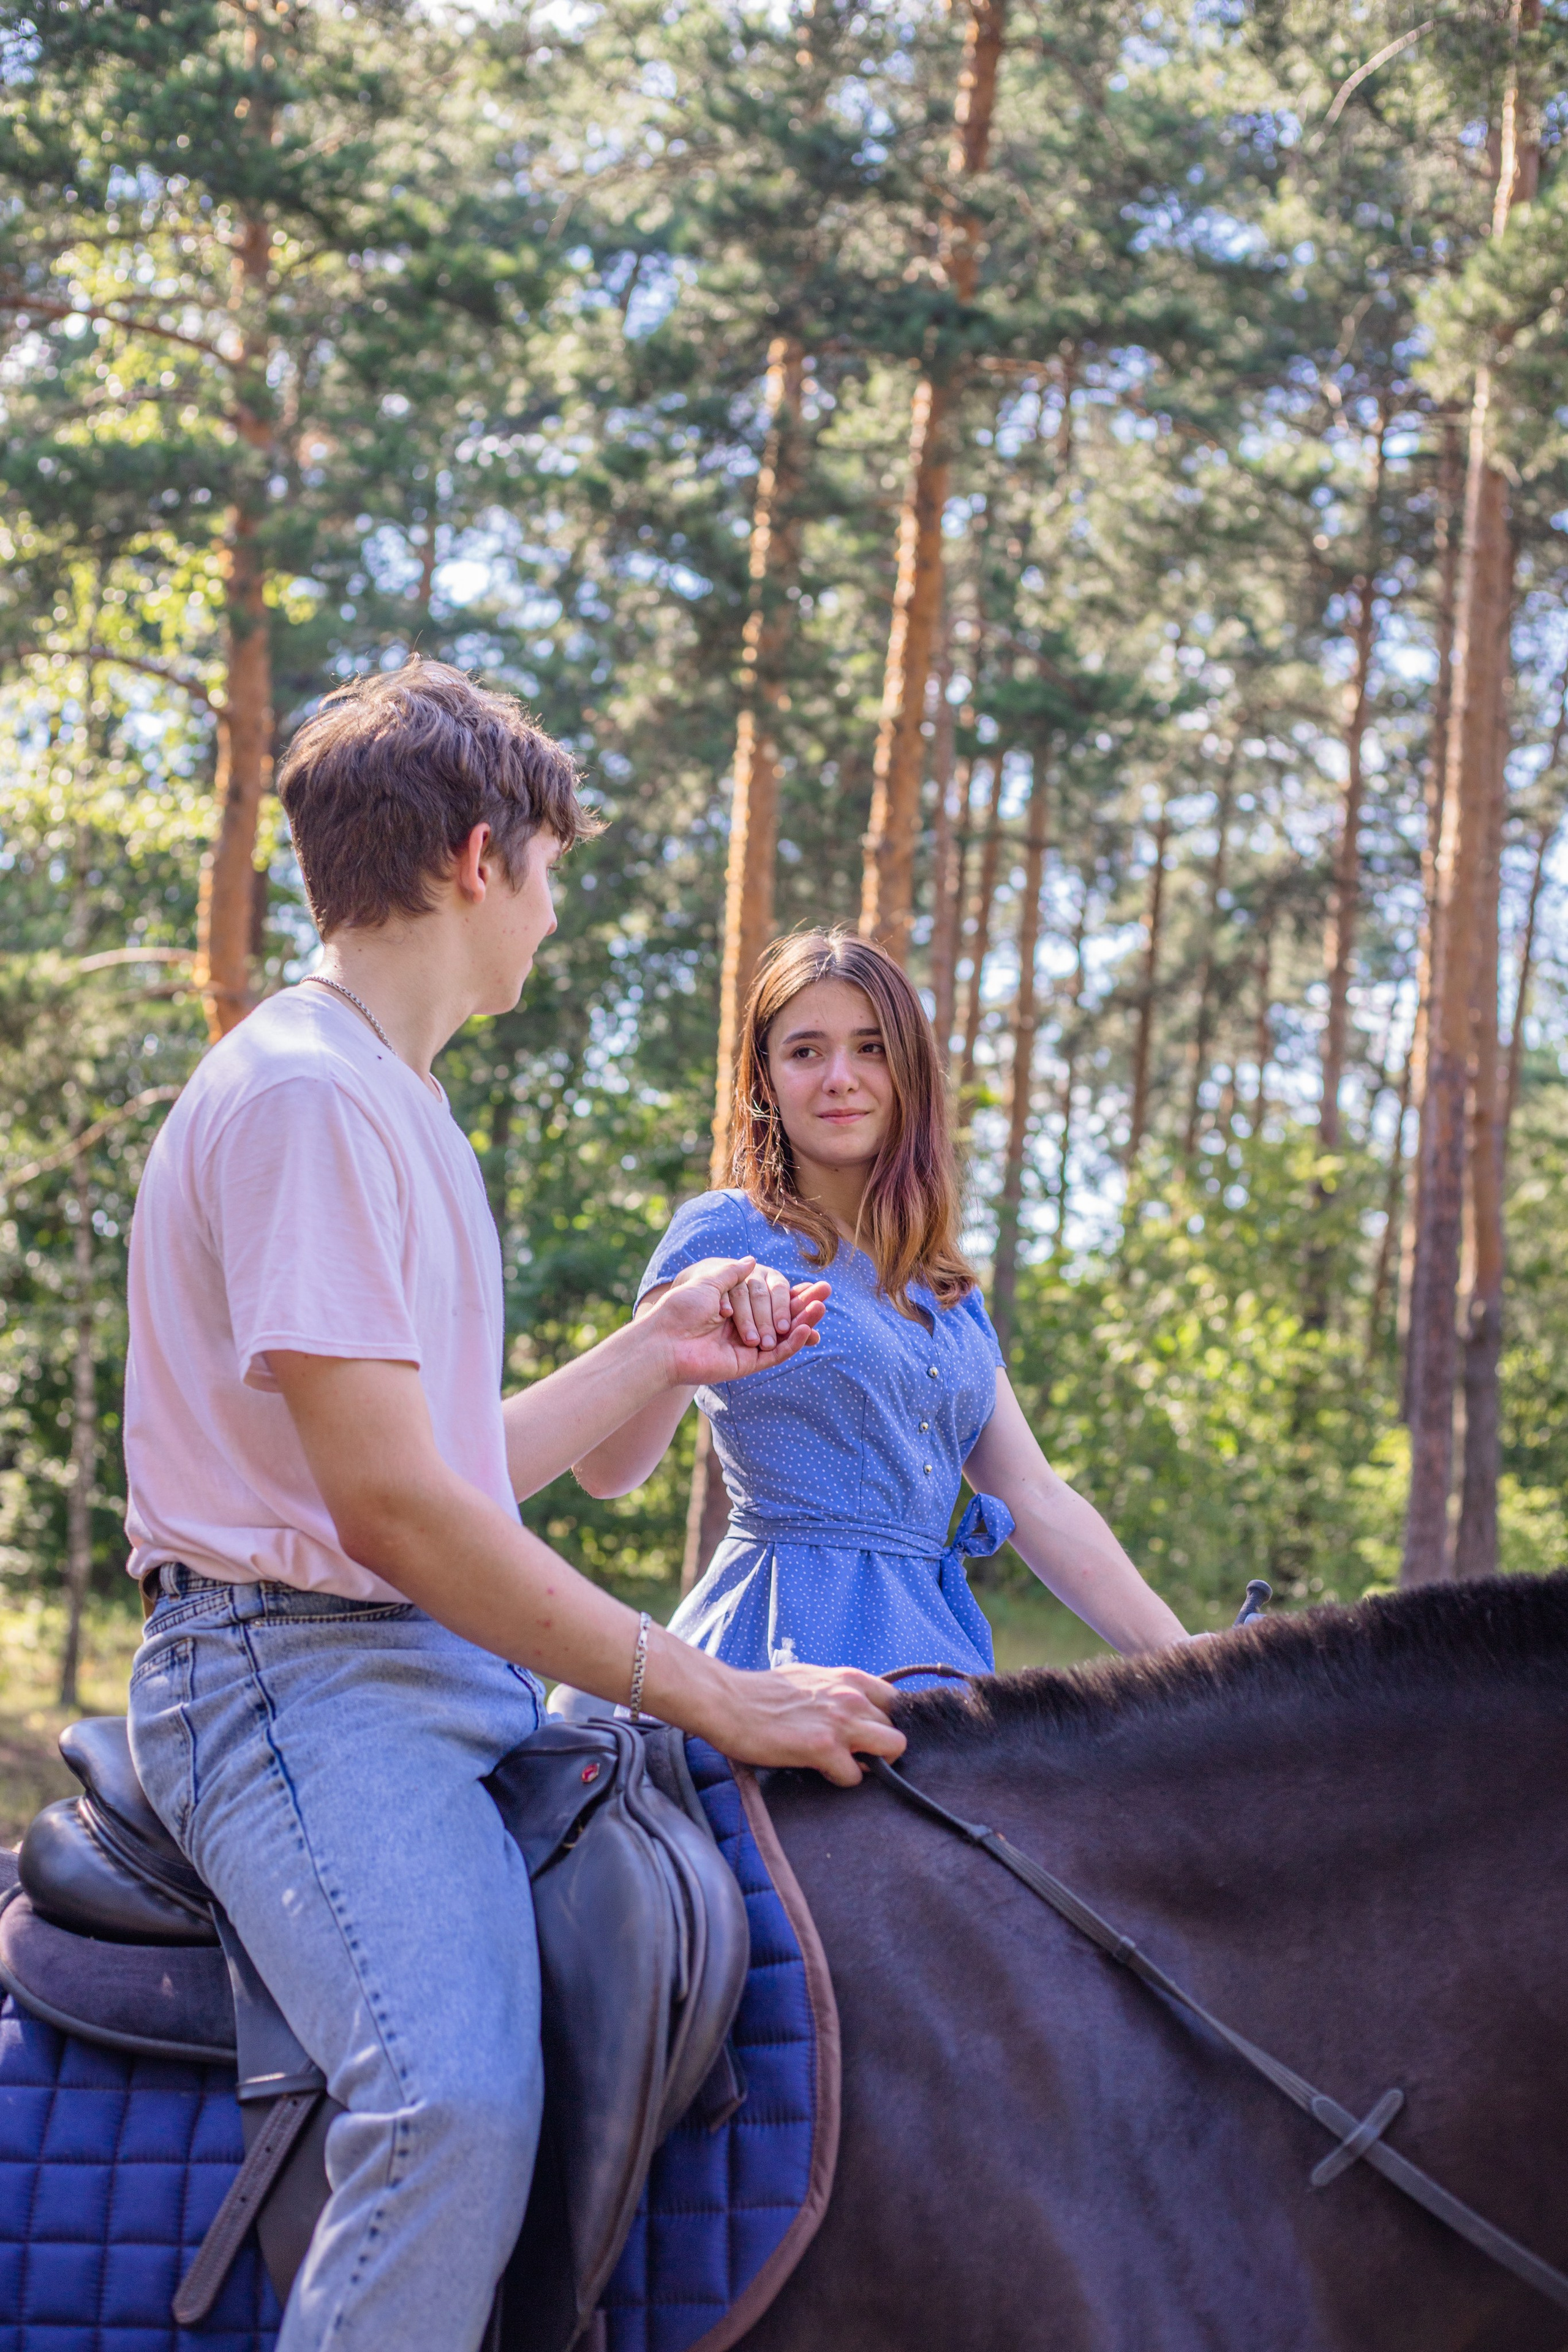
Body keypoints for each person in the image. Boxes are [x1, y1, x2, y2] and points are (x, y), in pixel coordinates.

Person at [122, 663, 903, 2352]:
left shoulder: (392, 1102)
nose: (554, 918)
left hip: (392, 1661)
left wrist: (659, 1351)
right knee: (450, 2102)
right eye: (553, 874)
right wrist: (712, 1688)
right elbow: (395, 1518)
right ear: (483, 858)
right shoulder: (311, 1099)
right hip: (296, 1682)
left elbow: (431, 1464)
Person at [573, 929, 1191, 1676]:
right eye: (805, 1051)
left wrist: (1190, 1662)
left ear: (909, 1075)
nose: (840, 1077)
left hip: (935, 1652)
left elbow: (1032, 1493)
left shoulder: (946, 1288)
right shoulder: (722, 1231)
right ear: (764, 1080)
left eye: (870, 1048)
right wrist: (681, 1332)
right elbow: (607, 1473)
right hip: (776, 1649)